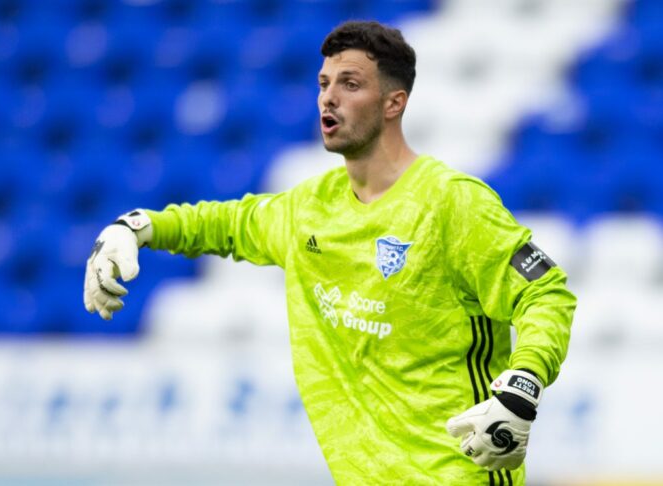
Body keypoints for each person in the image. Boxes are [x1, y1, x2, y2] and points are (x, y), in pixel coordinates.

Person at [83, 20, 575, 485]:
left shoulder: (453, 202)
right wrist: (136, 228)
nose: (328, 98)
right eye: (323, 84)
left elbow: (546, 295)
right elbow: (224, 224)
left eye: (350, 84)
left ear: (393, 103)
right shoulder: (309, 208)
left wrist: (522, 385)